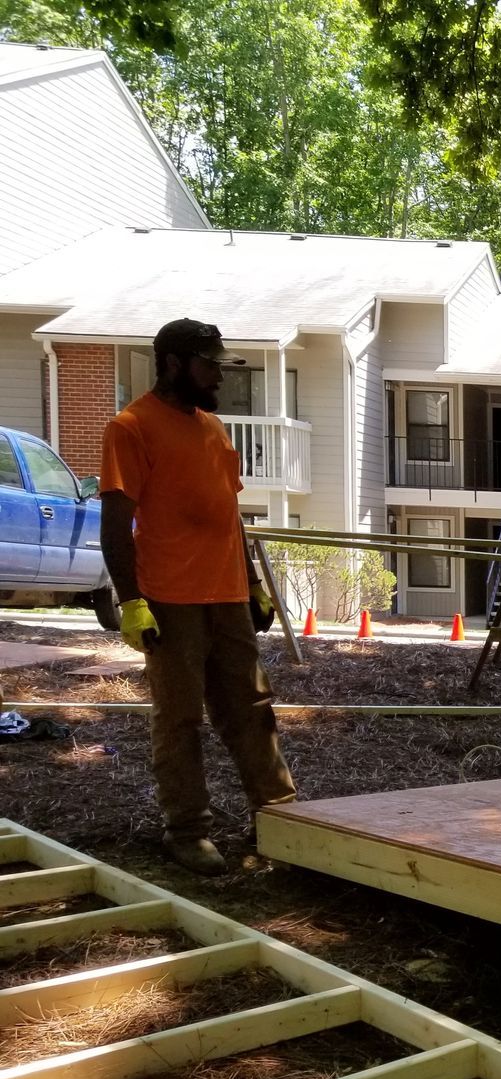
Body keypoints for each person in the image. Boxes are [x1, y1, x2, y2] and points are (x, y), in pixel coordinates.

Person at [100, 318, 297, 875]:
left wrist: (253, 584)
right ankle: (187, 831)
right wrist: (131, 600)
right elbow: (116, 525)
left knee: (252, 710)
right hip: (170, 601)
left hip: (227, 596)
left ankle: (280, 819)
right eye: (210, 365)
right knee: (180, 719)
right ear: (174, 363)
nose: (219, 376)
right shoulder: (131, 427)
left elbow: (229, 518)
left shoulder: (214, 429)